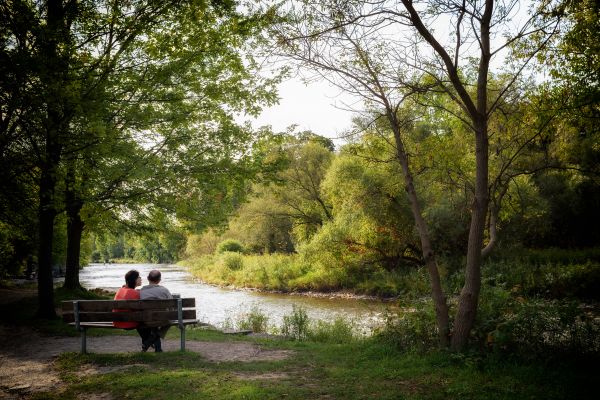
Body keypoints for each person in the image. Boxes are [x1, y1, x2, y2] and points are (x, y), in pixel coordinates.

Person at [113, 270, 151, 349]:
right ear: (134, 280)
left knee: (141, 319)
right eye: (138, 277)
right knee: (148, 321)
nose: (141, 278)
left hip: (117, 322)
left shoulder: (120, 290)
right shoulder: (135, 293)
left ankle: (147, 342)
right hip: (128, 323)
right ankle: (149, 342)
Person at [140, 269, 173, 352]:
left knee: (154, 325)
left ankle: (155, 346)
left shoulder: (142, 291)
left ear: (148, 278)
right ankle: (151, 340)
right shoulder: (164, 290)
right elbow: (172, 304)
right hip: (162, 319)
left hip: (147, 319)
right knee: (169, 321)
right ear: (159, 280)